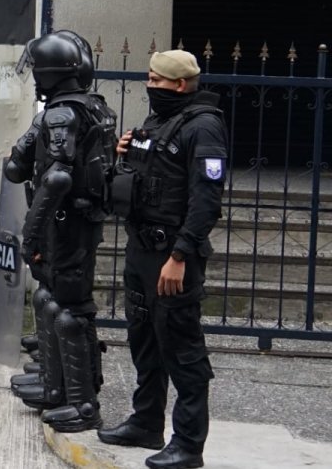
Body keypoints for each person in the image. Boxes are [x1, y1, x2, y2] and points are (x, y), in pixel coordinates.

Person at [99, 49, 225, 469]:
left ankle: (188, 445)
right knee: (145, 341)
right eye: (149, 78)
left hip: (172, 254)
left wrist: (181, 254)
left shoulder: (203, 127)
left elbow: (206, 201)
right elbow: (146, 177)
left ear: (180, 84)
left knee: (182, 349)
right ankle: (146, 422)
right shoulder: (158, 121)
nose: (150, 86)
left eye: (156, 80)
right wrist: (123, 152)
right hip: (141, 249)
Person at [5, 30, 116, 433]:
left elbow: (55, 180)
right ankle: (56, 389)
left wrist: (31, 234)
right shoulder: (92, 107)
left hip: (66, 222)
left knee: (69, 312)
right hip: (76, 221)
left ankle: (83, 405)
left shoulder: (62, 114)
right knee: (52, 300)